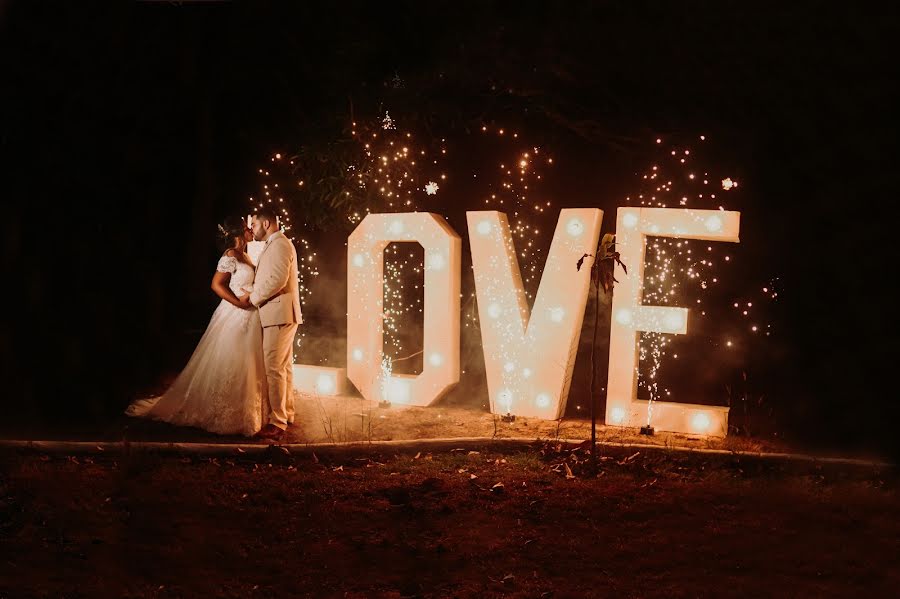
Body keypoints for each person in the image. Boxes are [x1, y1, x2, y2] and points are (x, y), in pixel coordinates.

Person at [125, 217, 267, 436]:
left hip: (251, 315)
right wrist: (238, 301)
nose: (250, 229)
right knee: (231, 360)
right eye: (246, 227)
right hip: (235, 313)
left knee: (247, 364)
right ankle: (222, 412)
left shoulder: (247, 255)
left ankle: (246, 412)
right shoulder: (230, 255)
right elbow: (216, 284)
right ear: (237, 233)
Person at [240, 207, 302, 440]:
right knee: (283, 366)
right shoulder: (277, 244)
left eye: (254, 225)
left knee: (274, 367)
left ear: (266, 224)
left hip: (279, 314)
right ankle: (287, 413)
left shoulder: (280, 244)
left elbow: (277, 279)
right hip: (281, 313)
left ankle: (278, 422)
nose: (252, 229)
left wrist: (253, 299)